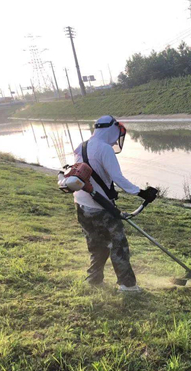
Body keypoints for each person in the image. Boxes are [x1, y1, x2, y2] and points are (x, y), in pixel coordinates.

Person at [73, 115, 158, 293]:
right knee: (119, 245)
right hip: (100, 208)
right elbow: (118, 178)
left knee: (97, 245)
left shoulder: (82, 146)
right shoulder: (104, 149)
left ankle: (94, 279)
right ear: (111, 130)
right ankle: (127, 285)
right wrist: (142, 193)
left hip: (81, 205)